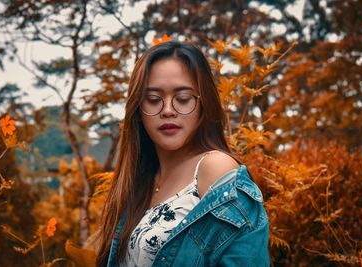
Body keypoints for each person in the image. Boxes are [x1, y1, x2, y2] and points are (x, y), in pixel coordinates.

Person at [96, 41, 270, 267]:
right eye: (153, 99)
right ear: (138, 108)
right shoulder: (139, 182)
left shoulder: (215, 169)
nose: (168, 110)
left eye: (183, 98)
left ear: (203, 103)